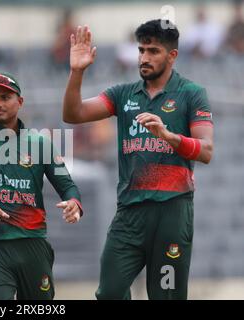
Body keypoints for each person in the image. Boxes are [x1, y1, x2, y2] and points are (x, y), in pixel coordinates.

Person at [63, 20, 214, 300]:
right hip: (129, 213)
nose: (144, 58)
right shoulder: (123, 94)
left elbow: (206, 150)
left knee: (166, 296)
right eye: (141, 50)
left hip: (172, 212)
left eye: (153, 51)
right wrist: (76, 72)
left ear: (172, 56)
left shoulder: (192, 94)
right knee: (109, 292)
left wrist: (168, 135)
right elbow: (74, 114)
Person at [0, 72, 83, 300]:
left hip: (32, 246)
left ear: (20, 102)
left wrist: (74, 203)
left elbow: (68, 187)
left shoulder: (41, 143)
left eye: (5, 97)